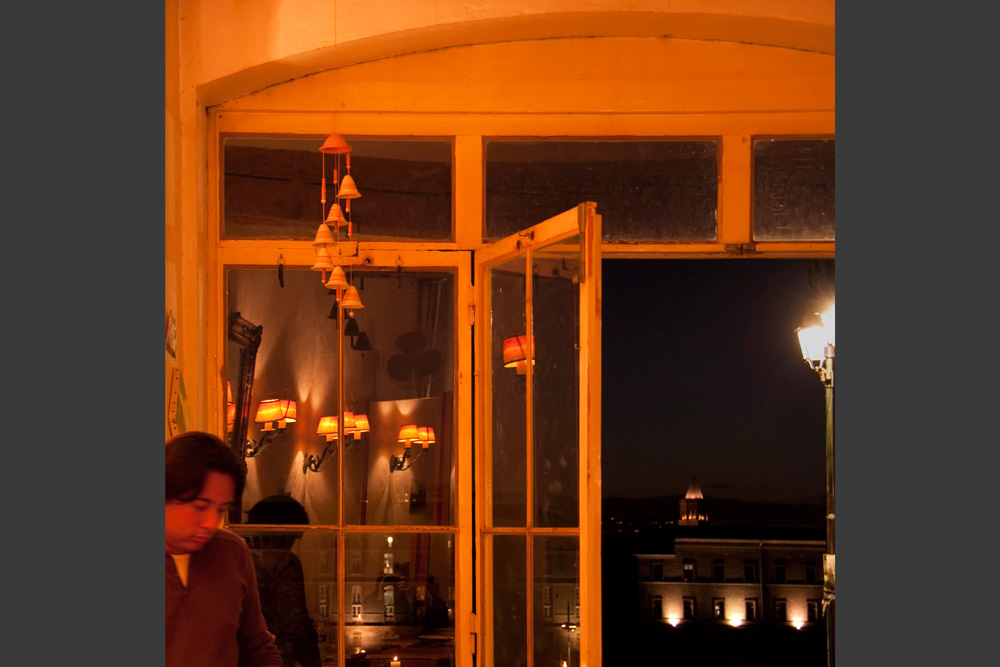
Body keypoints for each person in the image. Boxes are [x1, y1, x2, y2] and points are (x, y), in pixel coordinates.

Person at [165, 431, 282, 667]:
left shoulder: (231, 551)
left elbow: (258, 648)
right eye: (200, 507)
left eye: (220, 509)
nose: (210, 523)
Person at [245, 495, 323, 667]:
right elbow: (295, 624)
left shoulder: (235, 555)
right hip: (273, 658)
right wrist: (313, 663)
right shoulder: (284, 562)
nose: (292, 543)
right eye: (294, 536)